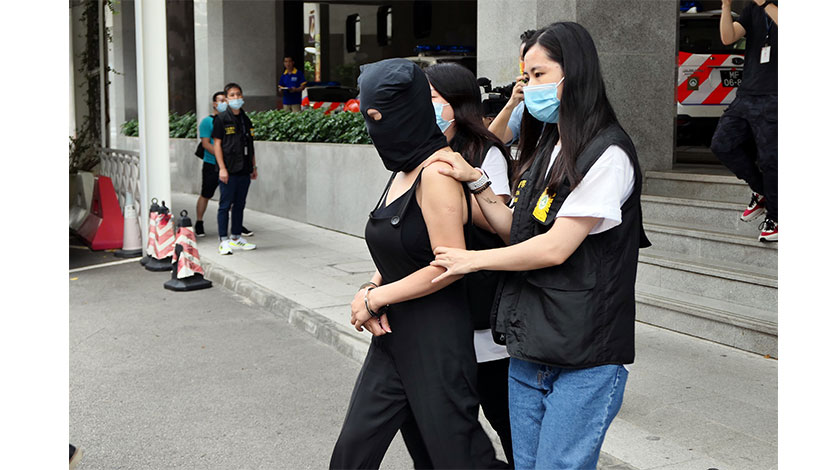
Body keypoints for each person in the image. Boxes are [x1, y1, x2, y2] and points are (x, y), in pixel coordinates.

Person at [429, 22, 650, 470]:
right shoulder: (549, 143)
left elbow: (554, 248)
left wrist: (473, 260)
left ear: (576, 73)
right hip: (531, 343)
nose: (529, 87)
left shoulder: (608, 153)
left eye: (539, 74)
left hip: (584, 354)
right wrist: (478, 182)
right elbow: (519, 232)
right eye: (526, 76)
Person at [329, 58, 505, 470]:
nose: (373, 127)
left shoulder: (438, 172)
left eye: (379, 116)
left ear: (406, 110)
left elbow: (447, 264)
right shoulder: (402, 169)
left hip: (435, 340)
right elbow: (401, 248)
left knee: (459, 460)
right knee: (352, 453)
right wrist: (370, 288)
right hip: (393, 338)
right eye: (367, 115)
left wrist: (376, 299)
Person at [405, 62, 515, 467]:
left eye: (431, 97)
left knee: (504, 420)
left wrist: (456, 192)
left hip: (480, 306)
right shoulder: (417, 151)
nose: (423, 105)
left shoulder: (486, 152)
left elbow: (503, 223)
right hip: (438, 311)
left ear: (456, 103)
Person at [710, 0, 778, 242]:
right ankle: (761, 190)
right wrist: (726, 6)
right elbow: (728, 38)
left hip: (776, 94)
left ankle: (776, 217)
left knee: (771, 160)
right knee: (722, 144)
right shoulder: (752, 9)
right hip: (747, 93)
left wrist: (766, 3)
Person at [194, 91, 253, 238]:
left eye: (225, 100)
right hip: (211, 164)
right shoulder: (207, 122)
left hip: (231, 166)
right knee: (206, 194)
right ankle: (199, 222)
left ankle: (237, 226)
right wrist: (222, 158)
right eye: (220, 101)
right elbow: (206, 144)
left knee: (232, 197)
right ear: (214, 104)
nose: (224, 103)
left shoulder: (236, 119)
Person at [213, 82, 258, 255]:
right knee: (225, 205)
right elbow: (217, 145)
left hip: (244, 168)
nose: (236, 98)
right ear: (226, 98)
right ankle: (223, 240)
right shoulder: (221, 119)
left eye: (238, 94)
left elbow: (250, 145)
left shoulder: (246, 119)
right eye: (232, 95)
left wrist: (253, 166)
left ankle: (236, 237)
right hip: (228, 169)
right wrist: (222, 168)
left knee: (240, 204)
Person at [488, 29, 536, 145]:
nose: (526, 63)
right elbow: (492, 140)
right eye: (523, 58)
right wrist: (512, 103)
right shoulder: (522, 107)